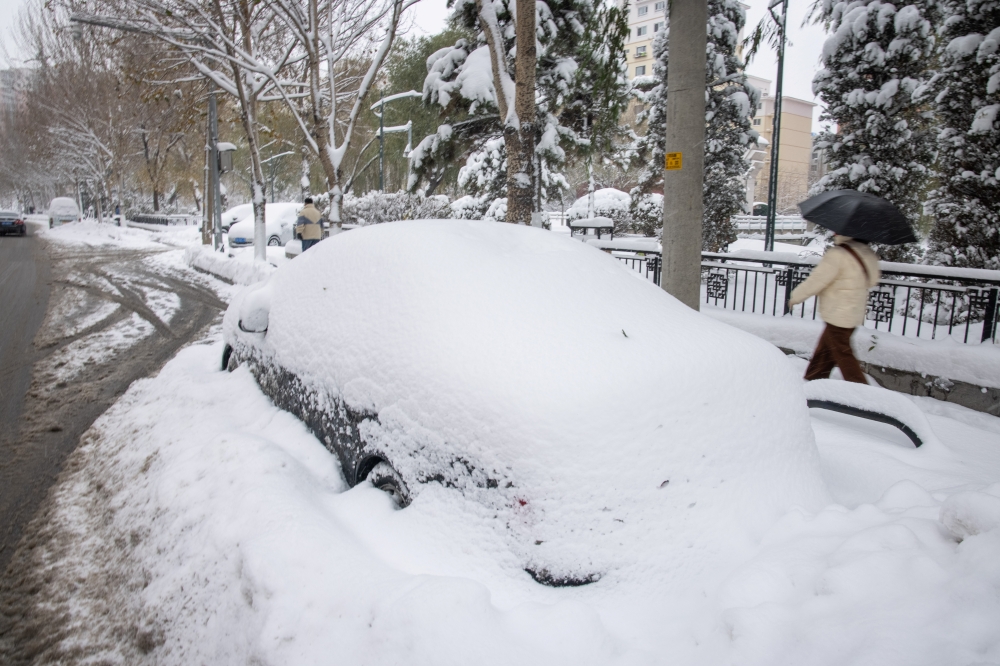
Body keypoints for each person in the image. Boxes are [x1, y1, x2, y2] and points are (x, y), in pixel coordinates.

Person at [787, 234, 881, 383]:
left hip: (838, 313)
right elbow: (873, 279)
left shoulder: (838, 254)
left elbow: (817, 280)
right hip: (853, 313)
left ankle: (862, 390)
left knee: (843, 354)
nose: (834, 233)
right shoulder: (867, 253)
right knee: (825, 352)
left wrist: (796, 296)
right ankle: (813, 380)